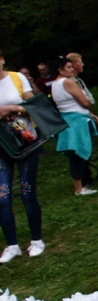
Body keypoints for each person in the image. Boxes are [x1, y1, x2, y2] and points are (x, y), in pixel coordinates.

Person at [0, 51, 45, 263]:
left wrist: (12, 109)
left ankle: (36, 240)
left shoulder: (17, 78)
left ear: (2, 59)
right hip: (1, 147)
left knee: (27, 192)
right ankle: (12, 245)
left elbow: (35, 107)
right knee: (2, 197)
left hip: (25, 141)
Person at [50, 56, 98, 195]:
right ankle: (79, 188)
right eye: (68, 67)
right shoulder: (68, 82)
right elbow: (84, 102)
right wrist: (88, 106)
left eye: (72, 67)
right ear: (60, 70)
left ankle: (80, 185)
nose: (72, 69)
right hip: (76, 121)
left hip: (68, 119)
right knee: (78, 153)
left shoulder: (55, 84)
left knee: (76, 153)